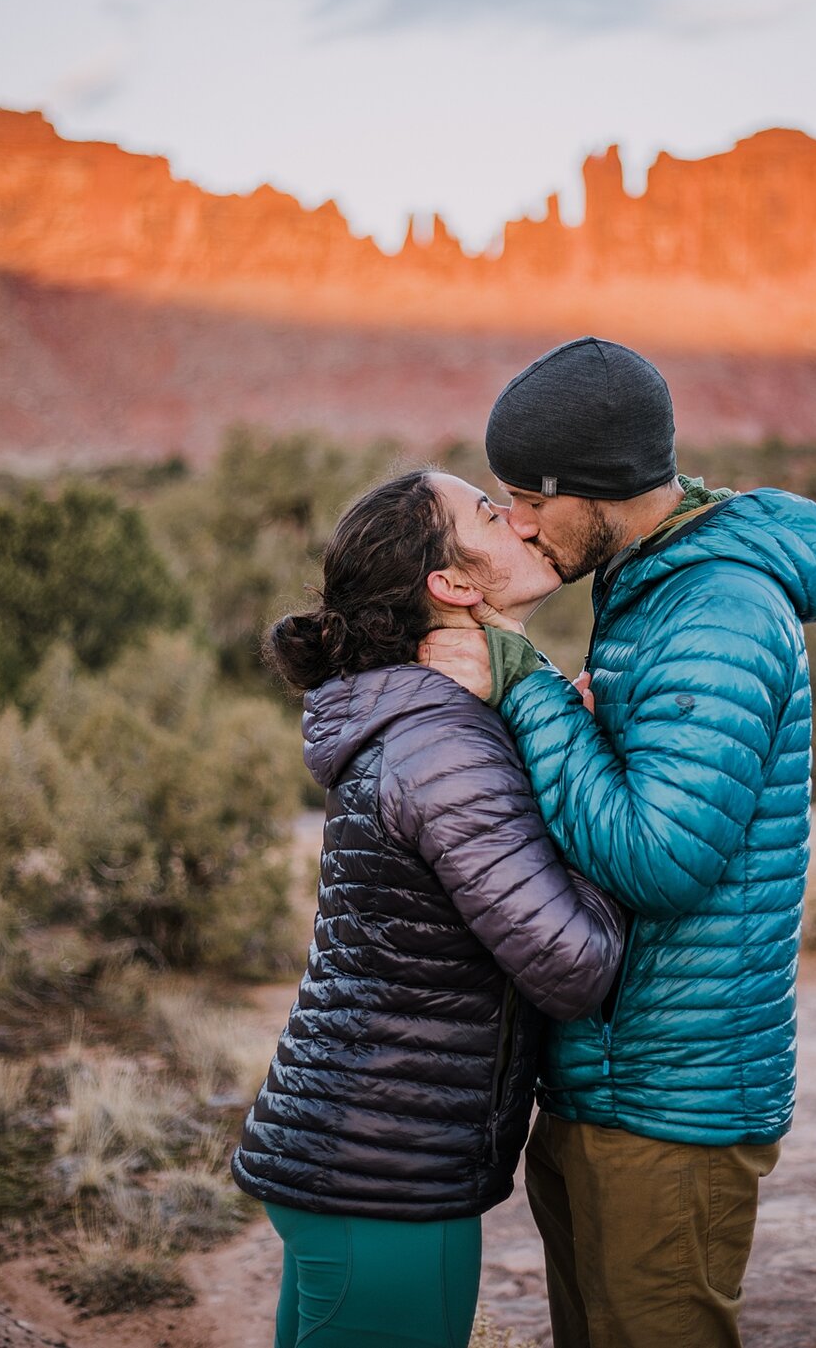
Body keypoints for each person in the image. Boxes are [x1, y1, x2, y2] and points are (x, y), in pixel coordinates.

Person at [419, 335, 816, 1348]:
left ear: (601, 489)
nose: (518, 526)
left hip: (674, 1101)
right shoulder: (652, 586)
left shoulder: (718, 608)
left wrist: (527, 687)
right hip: (607, 1079)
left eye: (528, 500)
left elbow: (660, 857)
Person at [231, 468, 624, 1348]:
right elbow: (573, 963)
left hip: (359, 1158)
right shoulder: (444, 746)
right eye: (488, 513)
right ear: (449, 585)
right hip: (386, 1177)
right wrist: (609, 817)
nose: (518, 521)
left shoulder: (433, 723)